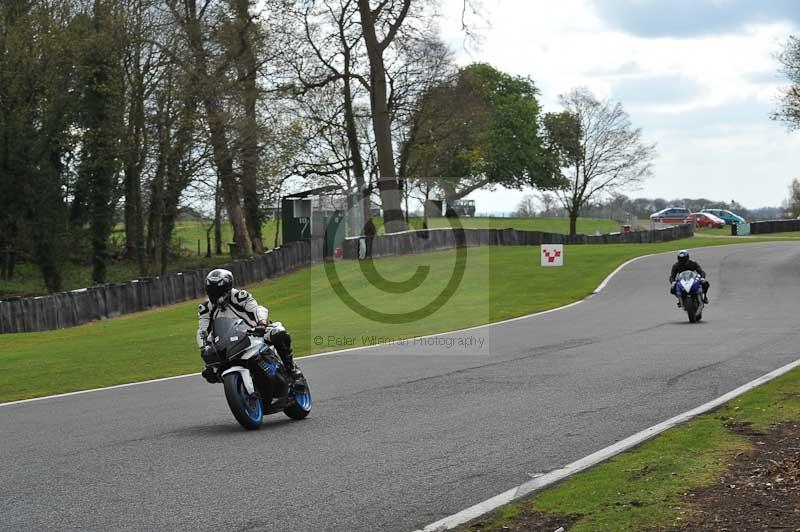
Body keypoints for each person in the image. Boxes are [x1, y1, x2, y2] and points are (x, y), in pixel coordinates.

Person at [197, 268, 301, 384]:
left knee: (279, 333)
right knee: (209, 372)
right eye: (212, 293)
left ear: (228, 289)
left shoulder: (239, 296)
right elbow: (202, 330)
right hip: (228, 344)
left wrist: (261, 324)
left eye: (219, 292)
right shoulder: (206, 308)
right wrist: (203, 348)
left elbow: (257, 309)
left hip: (254, 334)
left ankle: (291, 369)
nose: (216, 296)